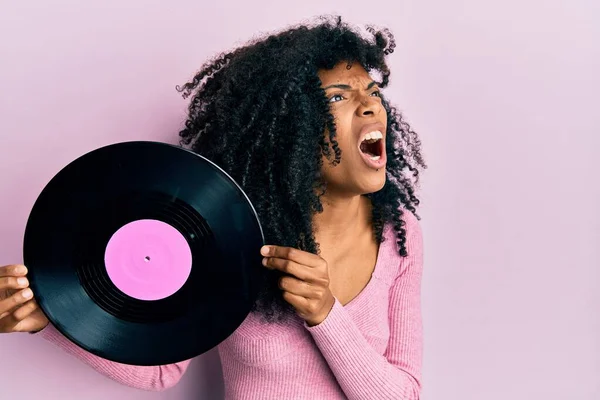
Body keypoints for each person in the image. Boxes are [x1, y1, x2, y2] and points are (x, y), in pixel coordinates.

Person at [0, 16, 427, 399]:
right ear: (289, 129)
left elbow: (403, 395)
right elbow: (162, 370)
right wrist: (54, 319)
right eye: (337, 98)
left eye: (371, 91)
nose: (371, 105)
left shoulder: (399, 234)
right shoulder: (229, 229)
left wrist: (325, 315)